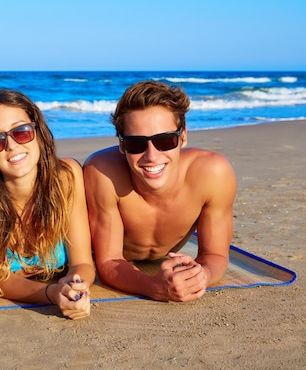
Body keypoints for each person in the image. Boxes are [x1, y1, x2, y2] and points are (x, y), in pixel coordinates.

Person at [83, 80, 237, 302]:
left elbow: (215, 255)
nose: (151, 155)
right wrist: (153, 286)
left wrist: (202, 275)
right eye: (136, 144)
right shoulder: (103, 172)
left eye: (164, 140)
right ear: (122, 144)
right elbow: (108, 262)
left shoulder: (212, 174)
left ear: (183, 136)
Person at [0, 88, 95, 320]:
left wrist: (77, 286)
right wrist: (52, 293)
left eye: (21, 132)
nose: (12, 145)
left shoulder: (66, 177)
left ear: (38, 132)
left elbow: (82, 262)